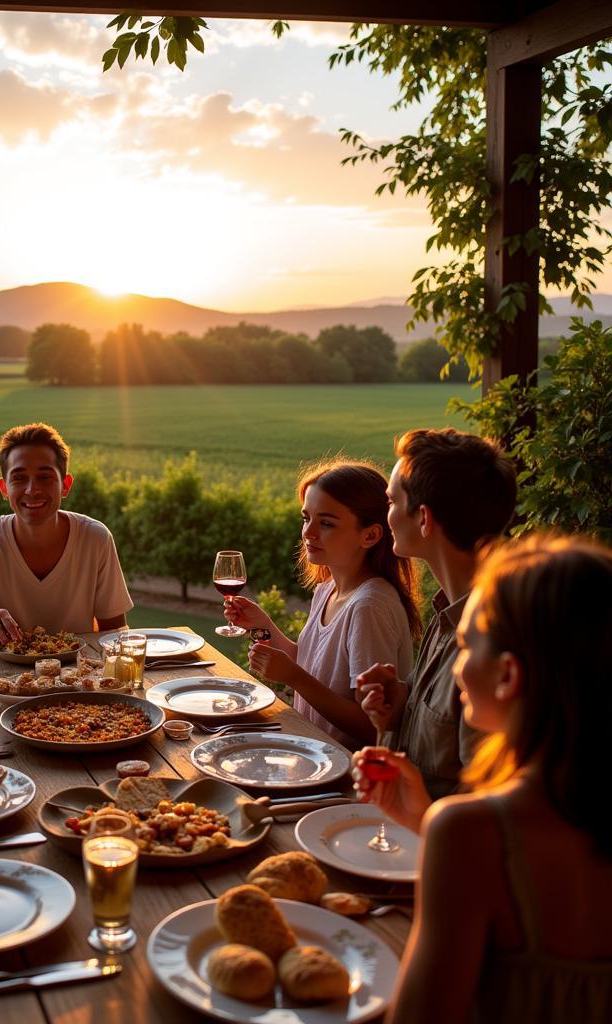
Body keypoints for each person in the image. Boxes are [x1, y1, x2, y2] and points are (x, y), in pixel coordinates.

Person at [372, 535, 612, 1024]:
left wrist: (437, 829)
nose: (457, 668)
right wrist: (421, 819)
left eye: (464, 645)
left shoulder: (469, 833)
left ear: (507, 676)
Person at [356, 428, 517, 798]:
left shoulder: (492, 644)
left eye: (392, 502)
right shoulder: (449, 612)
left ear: (424, 519)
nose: (388, 514)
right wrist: (397, 713)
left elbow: (486, 809)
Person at [224, 460, 421, 749]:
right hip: (312, 754)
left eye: (326, 523)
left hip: (345, 775)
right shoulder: (328, 589)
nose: (308, 532)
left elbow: (372, 726)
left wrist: (293, 678)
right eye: (306, 518)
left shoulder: (369, 607)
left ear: (370, 535)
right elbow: (312, 665)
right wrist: (265, 626)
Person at [0, 422, 133, 644]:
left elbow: (114, 631)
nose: (32, 489)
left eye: (44, 477)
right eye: (19, 478)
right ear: (4, 489)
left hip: (80, 672)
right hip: (4, 674)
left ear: (65, 485)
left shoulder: (96, 538)